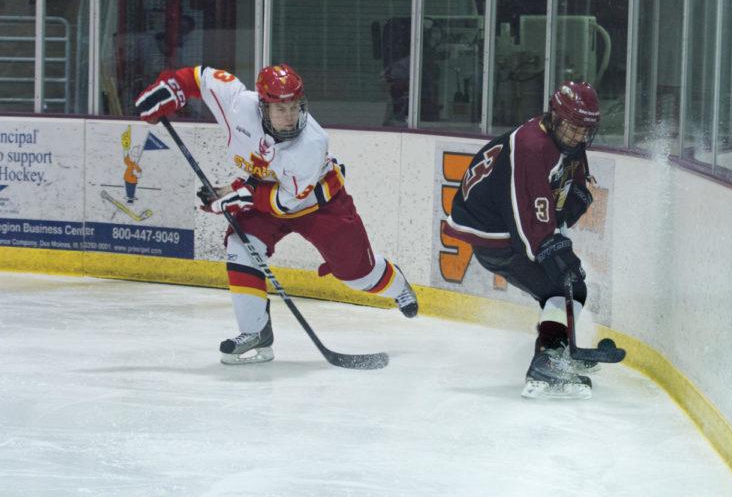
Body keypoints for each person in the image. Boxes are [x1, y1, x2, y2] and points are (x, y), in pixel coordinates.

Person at [134, 64, 419, 364]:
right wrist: (171, 89)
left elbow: (285, 203)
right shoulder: (237, 105)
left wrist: (237, 197)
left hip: (321, 205)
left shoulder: (311, 142)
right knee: (241, 247)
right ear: (262, 107)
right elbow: (199, 76)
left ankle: (398, 286)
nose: (290, 116)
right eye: (280, 109)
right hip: (267, 194)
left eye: (295, 107)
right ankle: (255, 333)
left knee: (357, 275)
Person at [445, 80, 602, 399]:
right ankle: (547, 361)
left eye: (585, 129)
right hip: (494, 236)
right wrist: (550, 248)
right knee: (565, 286)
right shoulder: (532, 146)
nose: (579, 136)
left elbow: (565, 190)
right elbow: (526, 220)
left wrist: (575, 198)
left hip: (509, 227)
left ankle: (555, 350)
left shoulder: (567, 141)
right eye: (573, 127)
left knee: (566, 286)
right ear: (555, 117)